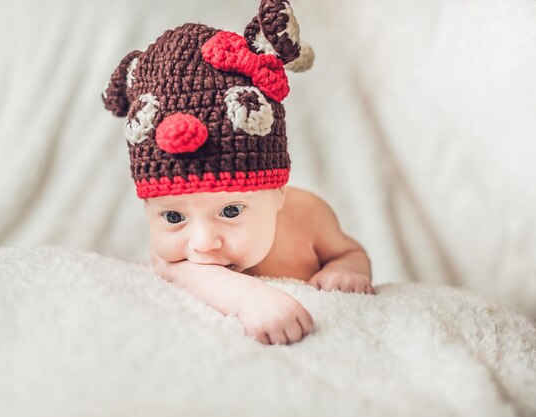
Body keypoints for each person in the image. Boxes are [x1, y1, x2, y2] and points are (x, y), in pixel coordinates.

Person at [103, 0, 374, 345]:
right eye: (173, 216)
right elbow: (174, 269)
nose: (202, 244)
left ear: (277, 192)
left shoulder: (309, 216)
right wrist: (249, 299)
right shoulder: (174, 256)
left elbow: (349, 252)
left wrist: (347, 269)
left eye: (230, 210)